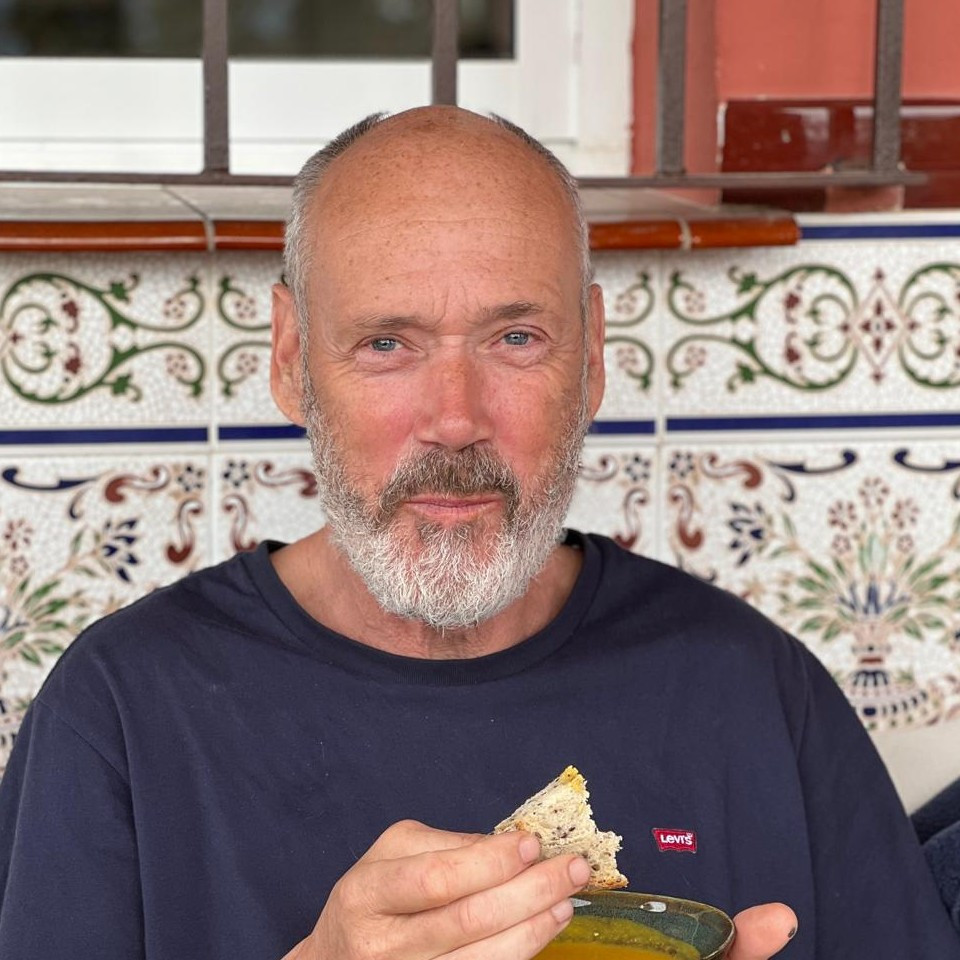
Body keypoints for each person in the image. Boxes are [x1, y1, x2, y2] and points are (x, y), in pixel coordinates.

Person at [0, 107, 956, 960]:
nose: (455, 420)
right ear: (291, 361)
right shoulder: (121, 711)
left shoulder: (751, 689)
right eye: (387, 344)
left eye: (515, 340)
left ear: (592, 359)